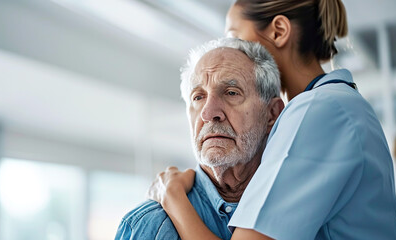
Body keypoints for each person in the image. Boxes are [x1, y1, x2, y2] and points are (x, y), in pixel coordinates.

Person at [147, 0, 396, 239]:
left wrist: (172, 196)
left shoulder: (318, 110)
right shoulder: (335, 102)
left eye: (234, 37)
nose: (230, 50)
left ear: (279, 31)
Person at [114, 38, 284, 239]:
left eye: (231, 93)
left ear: (272, 114)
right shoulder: (148, 225)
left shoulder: (303, 208)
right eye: (198, 97)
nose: (208, 113)